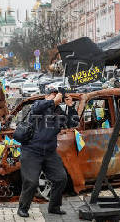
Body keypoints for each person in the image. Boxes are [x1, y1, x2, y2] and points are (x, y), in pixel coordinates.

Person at [17, 88, 79, 218]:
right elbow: (37, 107)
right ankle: (22, 208)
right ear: (46, 96)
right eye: (52, 95)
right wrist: (53, 101)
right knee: (31, 182)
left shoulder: (59, 112)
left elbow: (72, 123)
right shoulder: (39, 106)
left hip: (49, 152)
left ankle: (54, 207)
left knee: (61, 178)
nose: (56, 97)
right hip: (31, 150)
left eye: (57, 96)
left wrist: (71, 106)